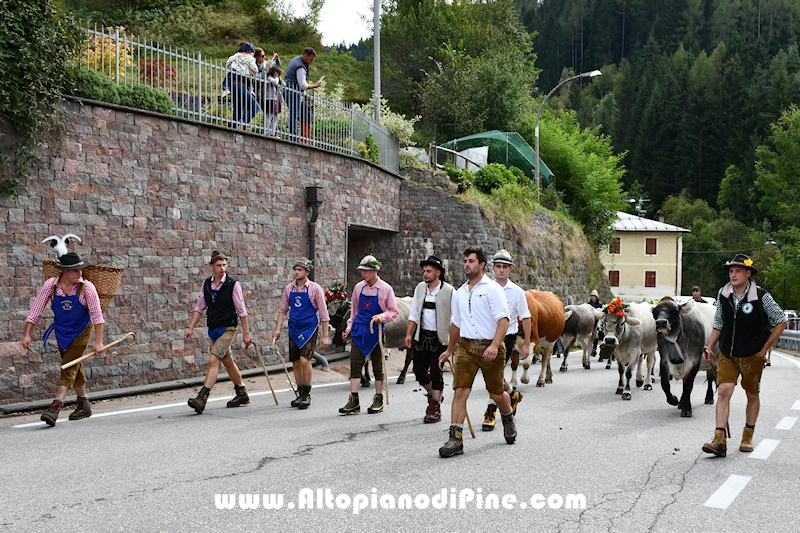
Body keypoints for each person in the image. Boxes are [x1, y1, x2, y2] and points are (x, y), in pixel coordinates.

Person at [702, 254, 787, 457]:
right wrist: (709, 346)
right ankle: (719, 440)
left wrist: (765, 347)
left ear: (748, 273)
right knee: (723, 391)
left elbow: (781, 320)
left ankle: (748, 435)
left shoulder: (760, 296)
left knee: (751, 394)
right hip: (727, 354)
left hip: (752, 355)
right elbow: (719, 323)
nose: (733, 275)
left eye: (738, 271)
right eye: (731, 271)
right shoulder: (723, 294)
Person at [438, 246, 514, 458]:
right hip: (466, 347)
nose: (467, 264)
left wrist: (493, 345)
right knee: (460, 391)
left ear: (481, 265)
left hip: (491, 347)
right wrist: (449, 350)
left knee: (497, 394)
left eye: (471, 261)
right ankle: (455, 439)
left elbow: (503, 320)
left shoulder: (492, 289)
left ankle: (507, 417)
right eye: (465, 261)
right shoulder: (460, 293)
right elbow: (456, 324)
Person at [22, 252, 105, 426]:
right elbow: (36, 309)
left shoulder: (86, 288)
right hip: (61, 331)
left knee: (68, 366)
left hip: (81, 330)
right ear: (65, 272)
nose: (79, 273)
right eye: (75, 270)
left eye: (81, 269)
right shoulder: (50, 286)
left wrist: (98, 342)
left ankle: (55, 406)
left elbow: (97, 316)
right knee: (75, 366)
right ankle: (84, 404)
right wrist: (27, 333)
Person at [184, 251, 253, 414]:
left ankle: (202, 398)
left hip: (228, 327)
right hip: (214, 329)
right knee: (228, 361)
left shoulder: (233, 284)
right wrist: (190, 328)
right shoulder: (206, 284)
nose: (222, 268)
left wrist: (246, 333)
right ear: (211, 266)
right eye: (219, 265)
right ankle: (242, 393)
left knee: (213, 360)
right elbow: (200, 307)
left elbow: (241, 310)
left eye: (224, 265)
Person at [340, 255, 399, 415]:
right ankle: (354, 399)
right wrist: (349, 327)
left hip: (376, 332)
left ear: (374, 271)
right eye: (361, 271)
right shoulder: (359, 288)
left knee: (377, 366)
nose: (362, 274)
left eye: (365, 271)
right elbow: (355, 312)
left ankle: (378, 398)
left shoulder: (385, 289)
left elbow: (394, 311)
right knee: (355, 365)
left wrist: (382, 317)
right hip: (359, 330)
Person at [273, 257, 330, 409]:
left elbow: (324, 313)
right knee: (296, 362)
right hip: (294, 328)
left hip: (309, 328)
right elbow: (283, 310)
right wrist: (278, 328)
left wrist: (325, 336)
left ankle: (307, 393)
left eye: (300, 270)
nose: (296, 272)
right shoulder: (289, 289)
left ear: (307, 272)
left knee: (305, 361)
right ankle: (299, 393)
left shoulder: (315, 289)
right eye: (295, 269)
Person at [482, 249, 529, 431]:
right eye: (498, 266)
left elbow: (526, 317)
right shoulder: (485, 289)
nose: (501, 270)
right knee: (495, 377)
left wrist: (525, 344)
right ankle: (512, 394)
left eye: (505, 267)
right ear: (493, 268)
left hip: (507, 338)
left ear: (510, 269)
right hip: (487, 337)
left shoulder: (517, 292)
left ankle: (491, 411)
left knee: (494, 377)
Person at [404, 255, 454, 423]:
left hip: (439, 339)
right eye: (424, 271)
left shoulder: (449, 291)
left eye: (429, 271)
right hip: (422, 337)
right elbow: (414, 314)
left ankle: (434, 407)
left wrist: (453, 344)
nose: (425, 274)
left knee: (436, 372)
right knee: (418, 371)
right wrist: (409, 334)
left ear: (438, 272)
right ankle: (436, 395)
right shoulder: (420, 288)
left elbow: (455, 319)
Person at [284, 47, 322, 141]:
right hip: (293, 92)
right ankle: (295, 137)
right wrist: (315, 85)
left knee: (298, 114)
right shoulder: (300, 67)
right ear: (305, 56)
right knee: (294, 114)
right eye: (311, 59)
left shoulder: (295, 60)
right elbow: (303, 85)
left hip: (288, 90)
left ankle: (298, 135)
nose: (311, 61)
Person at [225, 42, 261, 130]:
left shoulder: (235, 56)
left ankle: (233, 128)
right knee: (255, 107)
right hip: (241, 86)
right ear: (250, 52)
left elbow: (228, 64)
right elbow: (255, 70)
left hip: (232, 85)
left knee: (238, 109)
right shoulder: (250, 59)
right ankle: (242, 124)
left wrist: (236, 67)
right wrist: (248, 71)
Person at [588, 289, 603, 355]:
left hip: (598, 321)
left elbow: (601, 313)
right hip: (590, 321)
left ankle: (594, 348)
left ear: (596, 297)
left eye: (594, 296)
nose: (592, 297)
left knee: (597, 335)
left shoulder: (599, 305)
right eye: (592, 296)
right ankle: (591, 348)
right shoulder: (588, 305)